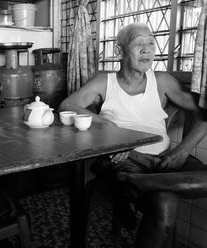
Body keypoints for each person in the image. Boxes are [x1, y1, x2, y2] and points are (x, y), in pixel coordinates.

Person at [59, 23, 207, 248]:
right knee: (165, 203)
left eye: (151, 43)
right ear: (120, 52)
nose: (147, 49)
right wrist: (111, 129)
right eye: (139, 43)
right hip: (128, 160)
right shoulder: (104, 82)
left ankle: (138, 184)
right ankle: (135, 180)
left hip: (166, 158)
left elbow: (203, 110)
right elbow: (66, 105)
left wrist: (182, 150)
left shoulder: (162, 80)